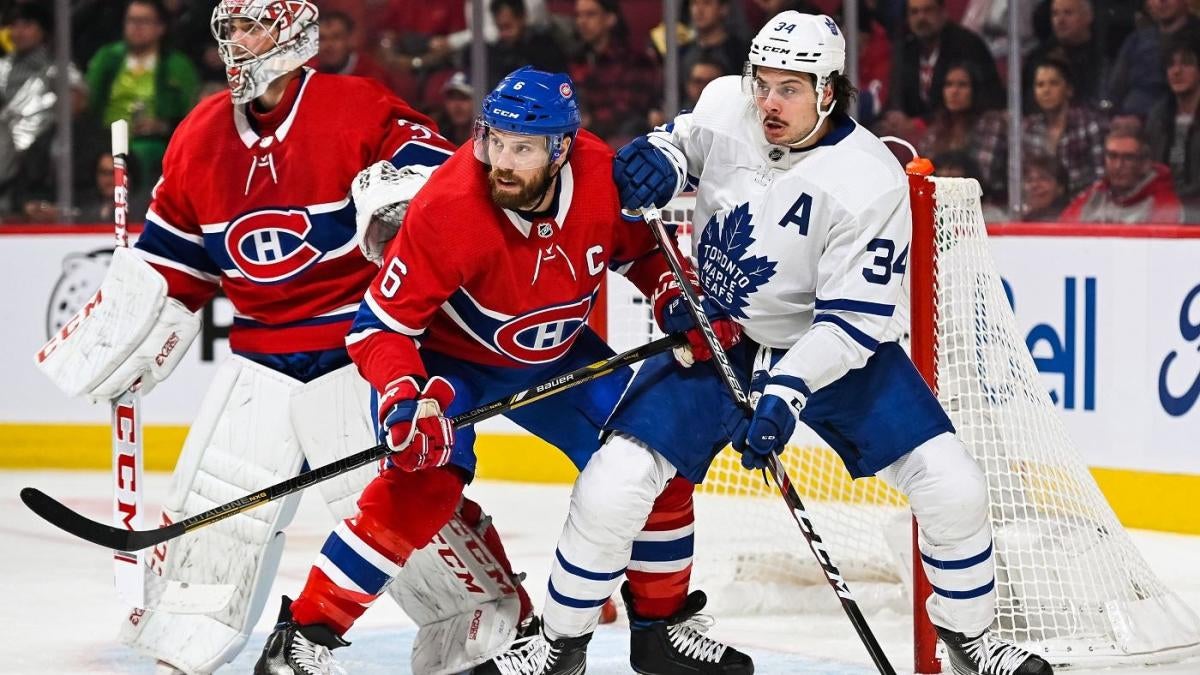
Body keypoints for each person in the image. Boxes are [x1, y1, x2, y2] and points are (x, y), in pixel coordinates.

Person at [527, 12, 1056, 675]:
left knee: (953, 484)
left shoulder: (870, 179)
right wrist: (658, 160)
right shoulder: (728, 102)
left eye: (790, 88)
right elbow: (679, 140)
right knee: (615, 479)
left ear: (829, 91)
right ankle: (558, 647)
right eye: (762, 83)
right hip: (721, 335)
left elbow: (852, 322)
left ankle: (970, 638)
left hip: (826, 347)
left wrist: (788, 388)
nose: (768, 103)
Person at [34, 2, 544, 674]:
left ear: (296, 32)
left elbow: (443, 180)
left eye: (254, 26)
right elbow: (172, 266)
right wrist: (125, 331)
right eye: (232, 28)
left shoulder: (356, 106)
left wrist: (401, 197)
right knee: (217, 511)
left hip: (356, 350)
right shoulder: (199, 137)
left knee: (387, 500)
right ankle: (188, 629)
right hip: (262, 359)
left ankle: (486, 621)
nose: (238, 43)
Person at [255, 65, 751, 675]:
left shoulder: (600, 177)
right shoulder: (445, 208)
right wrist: (406, 400)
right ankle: (304, 634)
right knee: (423, 485)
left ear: (562, 148)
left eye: (523, 148)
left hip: (558, 355)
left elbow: (643, 252)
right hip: (455, 365)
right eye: (493, 141)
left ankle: (660, 628)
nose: (502, 162)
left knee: (658, 454)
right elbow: (378, 328)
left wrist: (674, 298)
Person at [1060, 127, 1184, 223]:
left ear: (1145, 163)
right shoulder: (1092, 196)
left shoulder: (1164, 205)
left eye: (1128, 158)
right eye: (1112, 156)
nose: (1118, 165)